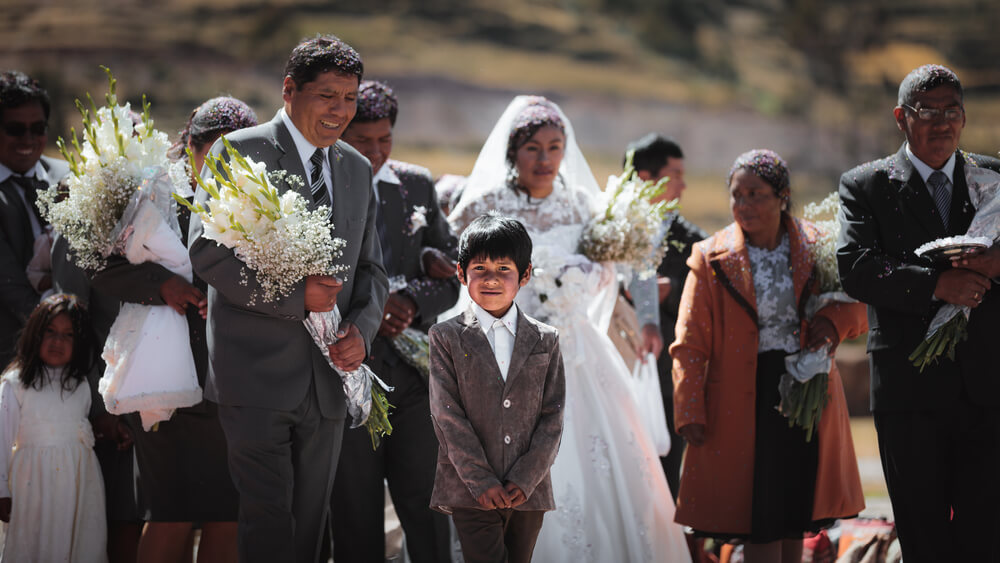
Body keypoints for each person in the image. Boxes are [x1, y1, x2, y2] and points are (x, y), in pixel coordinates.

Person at [449, 95, 691, 563]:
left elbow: (630, 264)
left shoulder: (583, 205)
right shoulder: (482, 206)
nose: (545, 159)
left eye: (555, 147)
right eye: (533, 148)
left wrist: (642, 315)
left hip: (577, 353)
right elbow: (467, 281)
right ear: (512, 152)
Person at [188, 35, 389, 563]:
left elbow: (372, 272)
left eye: (349, 98)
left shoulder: (356, 168)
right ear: (288, 90)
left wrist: (362, 335)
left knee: (309, 523)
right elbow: (206, 252)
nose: (340, 111)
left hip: (328, 380)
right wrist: (297, 297)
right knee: (268, 519)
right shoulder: (238, 150)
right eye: (327, 95)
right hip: (252, 376)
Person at [837, 64, 1000, 563]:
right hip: (910, 394)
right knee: (924, 537)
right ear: (901, 118)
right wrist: (938, 285)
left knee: (986, 536)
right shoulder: (866, 185)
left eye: (953, 111)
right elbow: (856, 267)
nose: (943, 123)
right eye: (928, 111)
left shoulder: (993, 178)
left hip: (987, 392)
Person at [671, 149, 866, 563]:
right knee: (758, 516)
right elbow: (689, 342)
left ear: (783, 196)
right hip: (742, 396)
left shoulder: (818, 247)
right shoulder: (710, 257)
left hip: (806, 389)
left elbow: (857, 308)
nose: (744, 205)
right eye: (736, 195)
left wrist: (831, 326)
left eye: (755, 194)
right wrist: (690, 409)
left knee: (795, 509)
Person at [89, 96, 258, 563]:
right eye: (215, 153)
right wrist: (160, 284)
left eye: (239, 154)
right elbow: (97, 265)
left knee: (229, 512)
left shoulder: (264, 207)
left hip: (236, 386)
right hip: (166, 380)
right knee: (170, 513)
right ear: (190, 146)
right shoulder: (154, 198)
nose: (227, 166)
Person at [329, 80, 456, 563]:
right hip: (346, 374)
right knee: (355, 515)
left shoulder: (417, 184)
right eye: (364, 142)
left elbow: (451, 276)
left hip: (415, 381)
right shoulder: (323, 185)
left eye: (385, 140)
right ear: (341, 134)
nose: (377, 152)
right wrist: (371, 310)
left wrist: (409, 300)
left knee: (429, 508)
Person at [428, 212, 565, 563]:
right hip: (469, 490)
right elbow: (447, 416)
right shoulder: (445, 337)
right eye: (480, 269)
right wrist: (480, 480)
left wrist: (525, 478)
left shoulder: (546, 340)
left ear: (525, 274)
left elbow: (553, 417)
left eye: (504, 269)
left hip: (528, 492)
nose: (491, 279)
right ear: (461, 273)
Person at [623, 133, 707, 499]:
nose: (683, 185)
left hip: (665, 370)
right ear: (645, 177)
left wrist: (671, 288)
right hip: (614, 360)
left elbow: (708, 286)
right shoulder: (605, 230)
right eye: (674, 174)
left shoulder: (691, 238)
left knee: (666, 467)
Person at [0, 294, 107, 562]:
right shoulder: (16, 385)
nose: (58, 341)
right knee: (35, 543)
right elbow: (1, 441)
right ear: (35, 333)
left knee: (77, 544)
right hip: (32, 486)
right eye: (50, 332)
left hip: (78, 485)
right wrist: (1, 490)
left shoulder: (80, 384)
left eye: (68, 335)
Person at [0, 71, 69, 367]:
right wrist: (60, 325)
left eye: (38, 128)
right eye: (15, 129)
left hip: (69, 355)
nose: (27, 139)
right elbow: (7, 279)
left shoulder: (68, 177)